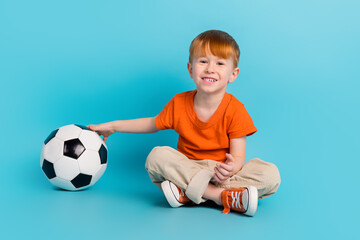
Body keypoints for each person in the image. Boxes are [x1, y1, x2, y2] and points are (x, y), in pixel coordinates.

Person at [88, 30, 281, 216]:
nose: (210, 68)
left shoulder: (236, 109)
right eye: (203, 61)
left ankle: (191, 194)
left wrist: (232, 168)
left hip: (221, 175)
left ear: (233, 74)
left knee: (270, 175)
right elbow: (151, 124)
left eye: (220, 63)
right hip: (188, 169)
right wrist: (113, 126)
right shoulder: (179, 103)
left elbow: (238, 157)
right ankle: (222, 197)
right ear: (190, 69)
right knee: (157, 156)